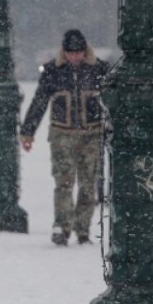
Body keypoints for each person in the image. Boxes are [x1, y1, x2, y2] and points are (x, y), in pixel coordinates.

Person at [19, 29, 109, 246]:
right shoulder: (53, 71)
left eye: (78, 53)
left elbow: (111, 104)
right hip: (62, 134)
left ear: (84, 51)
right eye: (70, 53)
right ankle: (62, 226)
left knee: (88, 184)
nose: (74, 57)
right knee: (64, 182)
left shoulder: (100, 70)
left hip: (92, 134)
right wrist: (28, 131)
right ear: (64, 52)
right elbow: (39, 102)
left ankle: (83, 229)